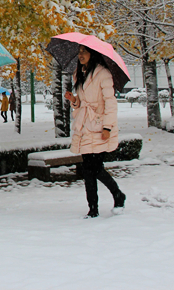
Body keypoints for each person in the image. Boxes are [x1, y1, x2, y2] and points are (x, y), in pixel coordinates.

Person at [64, 45, 126, 218]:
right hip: (85, 126)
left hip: (99, 126)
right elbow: (82, 102)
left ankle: (118, 195)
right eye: (79, 52)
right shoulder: (78, 74)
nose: (81, 55)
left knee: (96, 168)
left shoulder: (103, 74)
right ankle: (93, 209)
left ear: (93, 54)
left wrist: (107, 127)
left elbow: (110, 103)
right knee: (87, 170)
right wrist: (73, 100)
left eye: (84, 51)